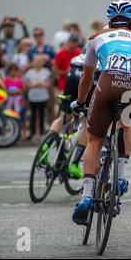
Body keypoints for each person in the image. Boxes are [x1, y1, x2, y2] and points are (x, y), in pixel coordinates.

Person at [70, 0, 131, 225]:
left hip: (108, 83)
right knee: (125, 124)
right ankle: (122, 178)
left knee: (94, 140)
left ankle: (86, 197)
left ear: (109, 22)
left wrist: (79, 102)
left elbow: (86, 77)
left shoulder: (97, 37)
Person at [42, 49, 102, 178]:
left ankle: (46, 145)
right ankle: (74, 164)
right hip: (92, 76)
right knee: (88, 121)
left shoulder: (90, 44)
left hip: (73, 73)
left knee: (64, 116)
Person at [24, 54, 52, 142]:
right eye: (36, 62)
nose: (38, 64)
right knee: (33, 115)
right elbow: (29, 85)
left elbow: (48, 84)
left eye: (40, 62)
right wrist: (37, 85)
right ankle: (32, 133)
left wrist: (40, 85)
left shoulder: (46, 71)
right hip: (33, 96)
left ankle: (41, 132)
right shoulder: (30, 72)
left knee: (42, 114)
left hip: (42, 96)